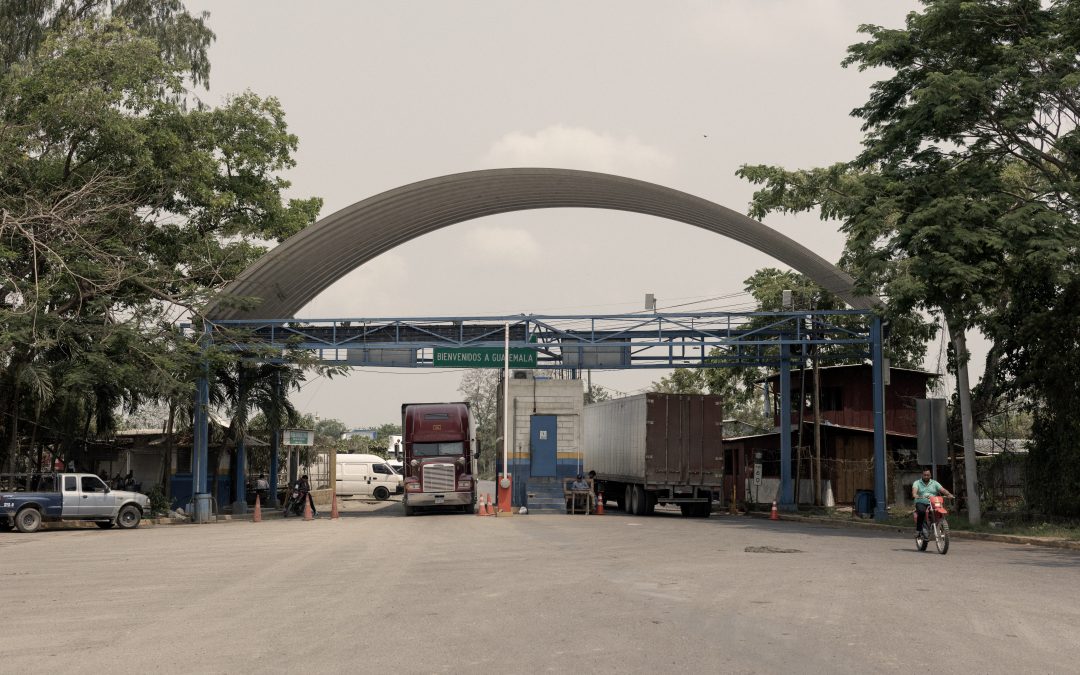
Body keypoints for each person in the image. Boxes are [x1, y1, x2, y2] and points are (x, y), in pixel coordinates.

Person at [912, 468, 954, 537]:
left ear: (930, 475)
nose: (926, 476)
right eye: (924, 475)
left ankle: (940, 524)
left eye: (928, 475)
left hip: (933, 502)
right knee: (921, 512)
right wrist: (915, 495)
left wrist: (948, 494)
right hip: (921, 502)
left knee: (939, 511)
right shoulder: (917, 483)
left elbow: (942, 490)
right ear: (922, 475)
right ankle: (919, 530)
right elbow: (914, 492)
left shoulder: (934, 483)